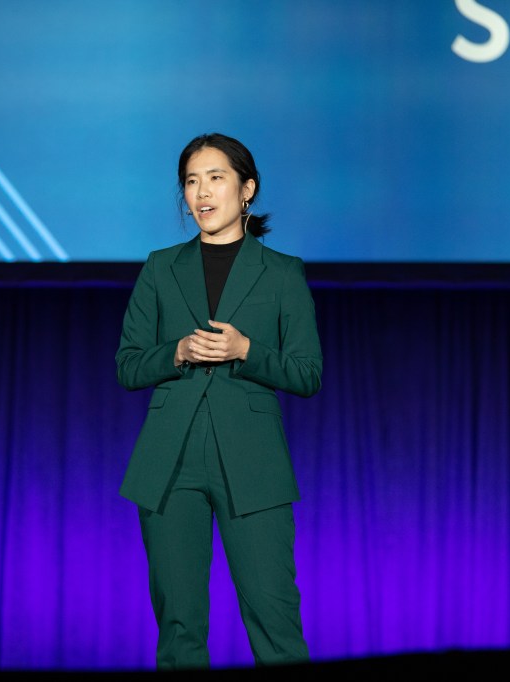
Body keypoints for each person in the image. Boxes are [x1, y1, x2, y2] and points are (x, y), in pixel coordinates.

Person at [115, 132, 323, 669]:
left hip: (252, 462)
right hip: (170, 461)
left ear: (247, 188)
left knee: (275, 623)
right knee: (179, 630)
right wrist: (177, 351)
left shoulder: (282, 272)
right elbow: (128, 365)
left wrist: (247, 350)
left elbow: (307, 373)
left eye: (216, 177)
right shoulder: (160, 267)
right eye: (191, 181)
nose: (202, 192)